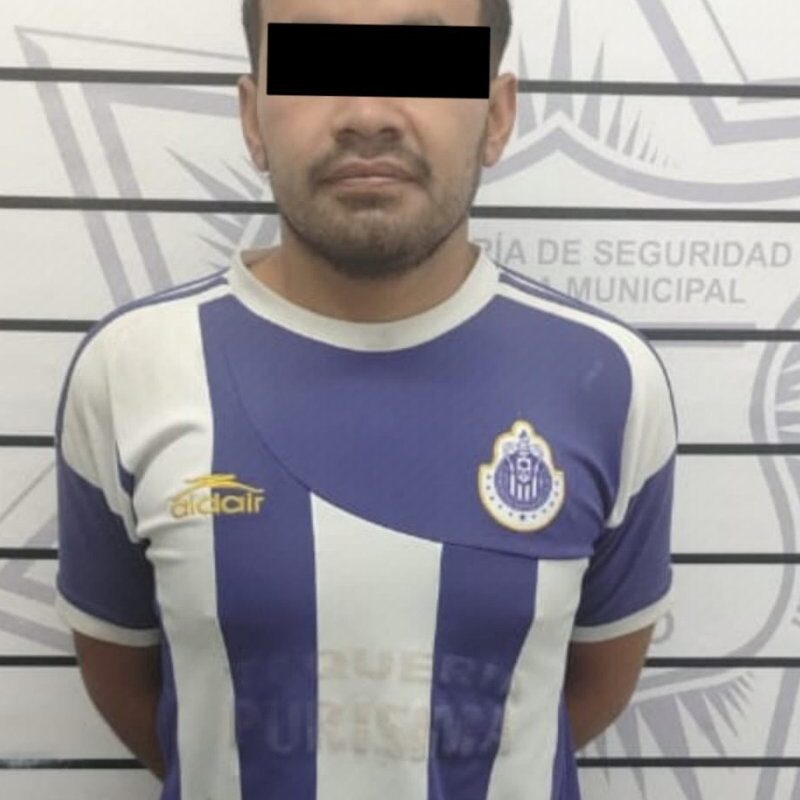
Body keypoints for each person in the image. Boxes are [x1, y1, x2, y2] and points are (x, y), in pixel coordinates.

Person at [53, 1, 678, 798]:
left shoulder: (610, 380)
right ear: (252, 118)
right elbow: (135, 690)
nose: (368, 114)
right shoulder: (129, 371)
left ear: (496, 116)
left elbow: (588, 690)